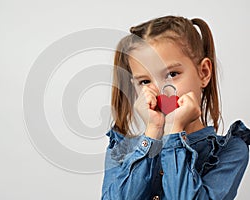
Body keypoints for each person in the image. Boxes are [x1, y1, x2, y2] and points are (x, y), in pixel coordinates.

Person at [101, 15, 250, 200]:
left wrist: (174, 132)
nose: (162, 90)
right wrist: (152, 134)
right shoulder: (123, 148)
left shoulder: (231, 151)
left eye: (172, 74)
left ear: (203, 73)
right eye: (145, 81)